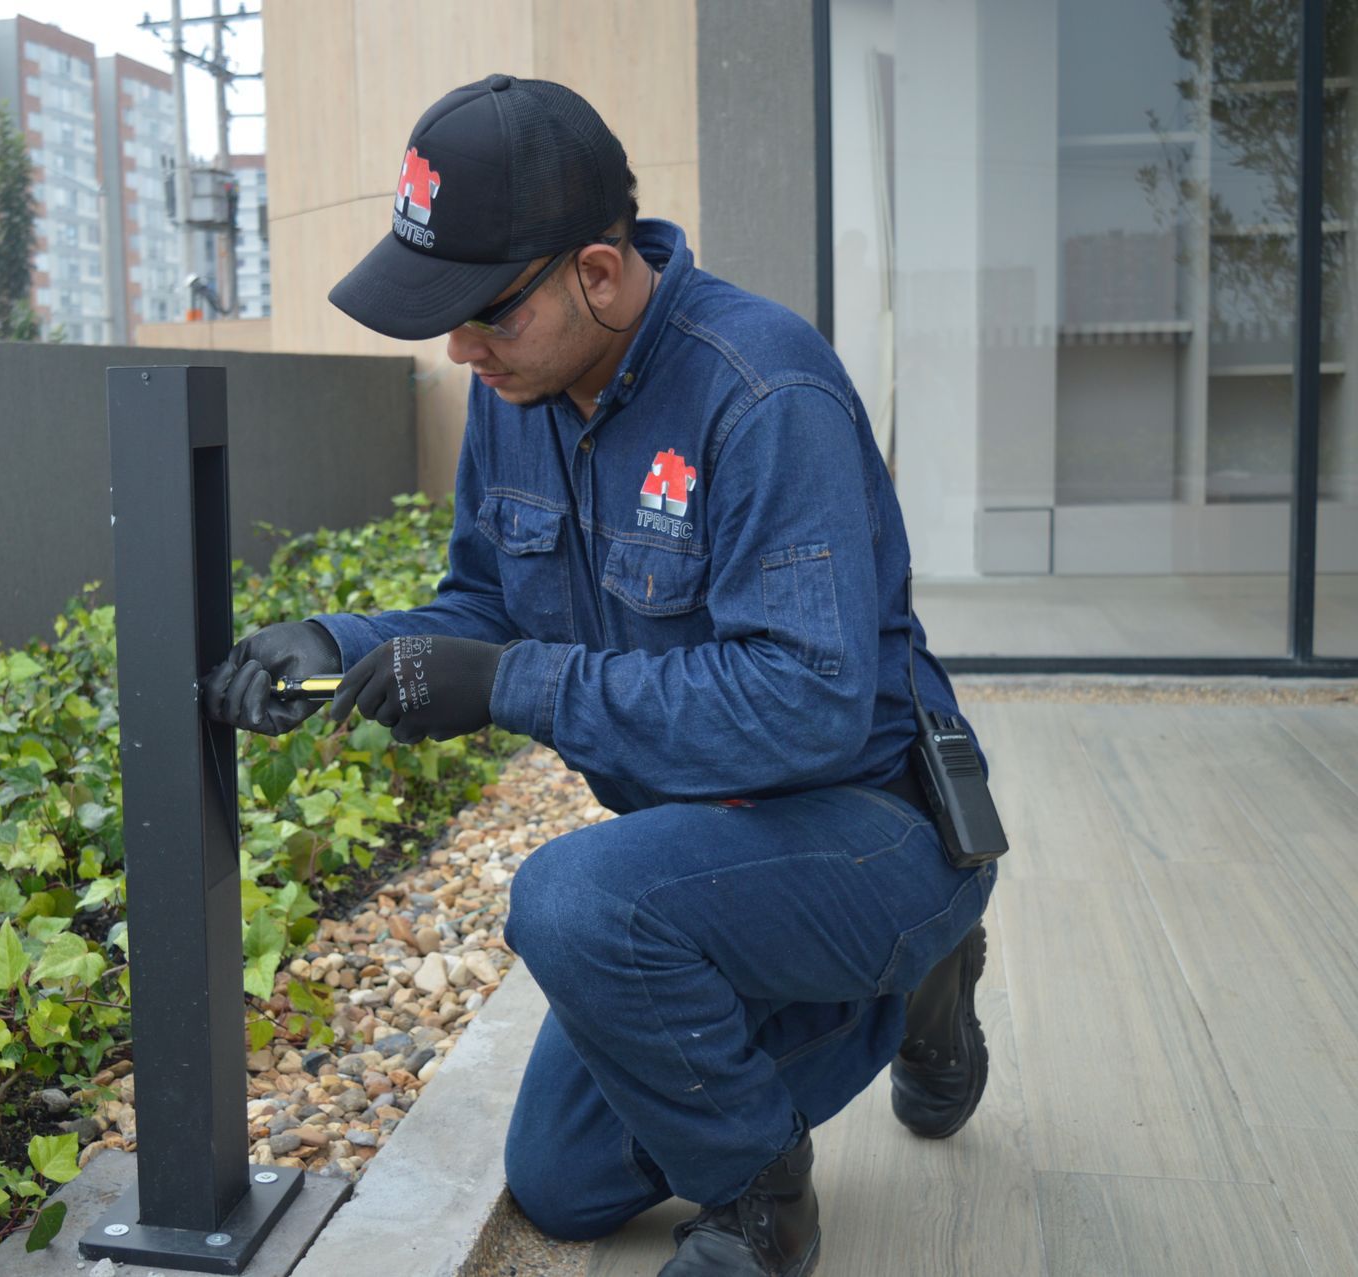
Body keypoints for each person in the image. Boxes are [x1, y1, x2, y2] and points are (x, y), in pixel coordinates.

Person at [200, 74, 995, 1277]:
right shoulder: (517, 392)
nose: (460, 348)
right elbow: (485, 604)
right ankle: (870, 989)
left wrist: (511, 682)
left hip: (873, 821)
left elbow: (808, 704)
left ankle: (765, 1199)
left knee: (577, 901)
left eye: (486, 312)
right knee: (564, 1179)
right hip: (711, 840)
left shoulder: (762, 393)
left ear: (601, 273)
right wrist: (345, 643)